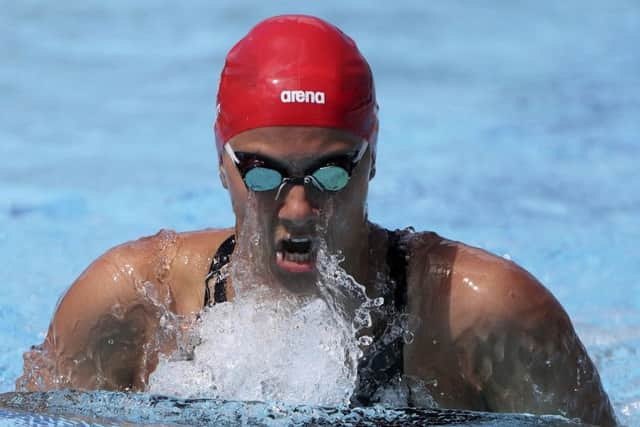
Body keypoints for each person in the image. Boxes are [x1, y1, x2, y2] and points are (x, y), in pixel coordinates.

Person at [17, 14, 617, 426]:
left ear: (373, 158)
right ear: (221, 161)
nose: (298, 210)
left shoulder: (483, 316)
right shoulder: (134, 304)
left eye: (331, 173)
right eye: (262, 173)